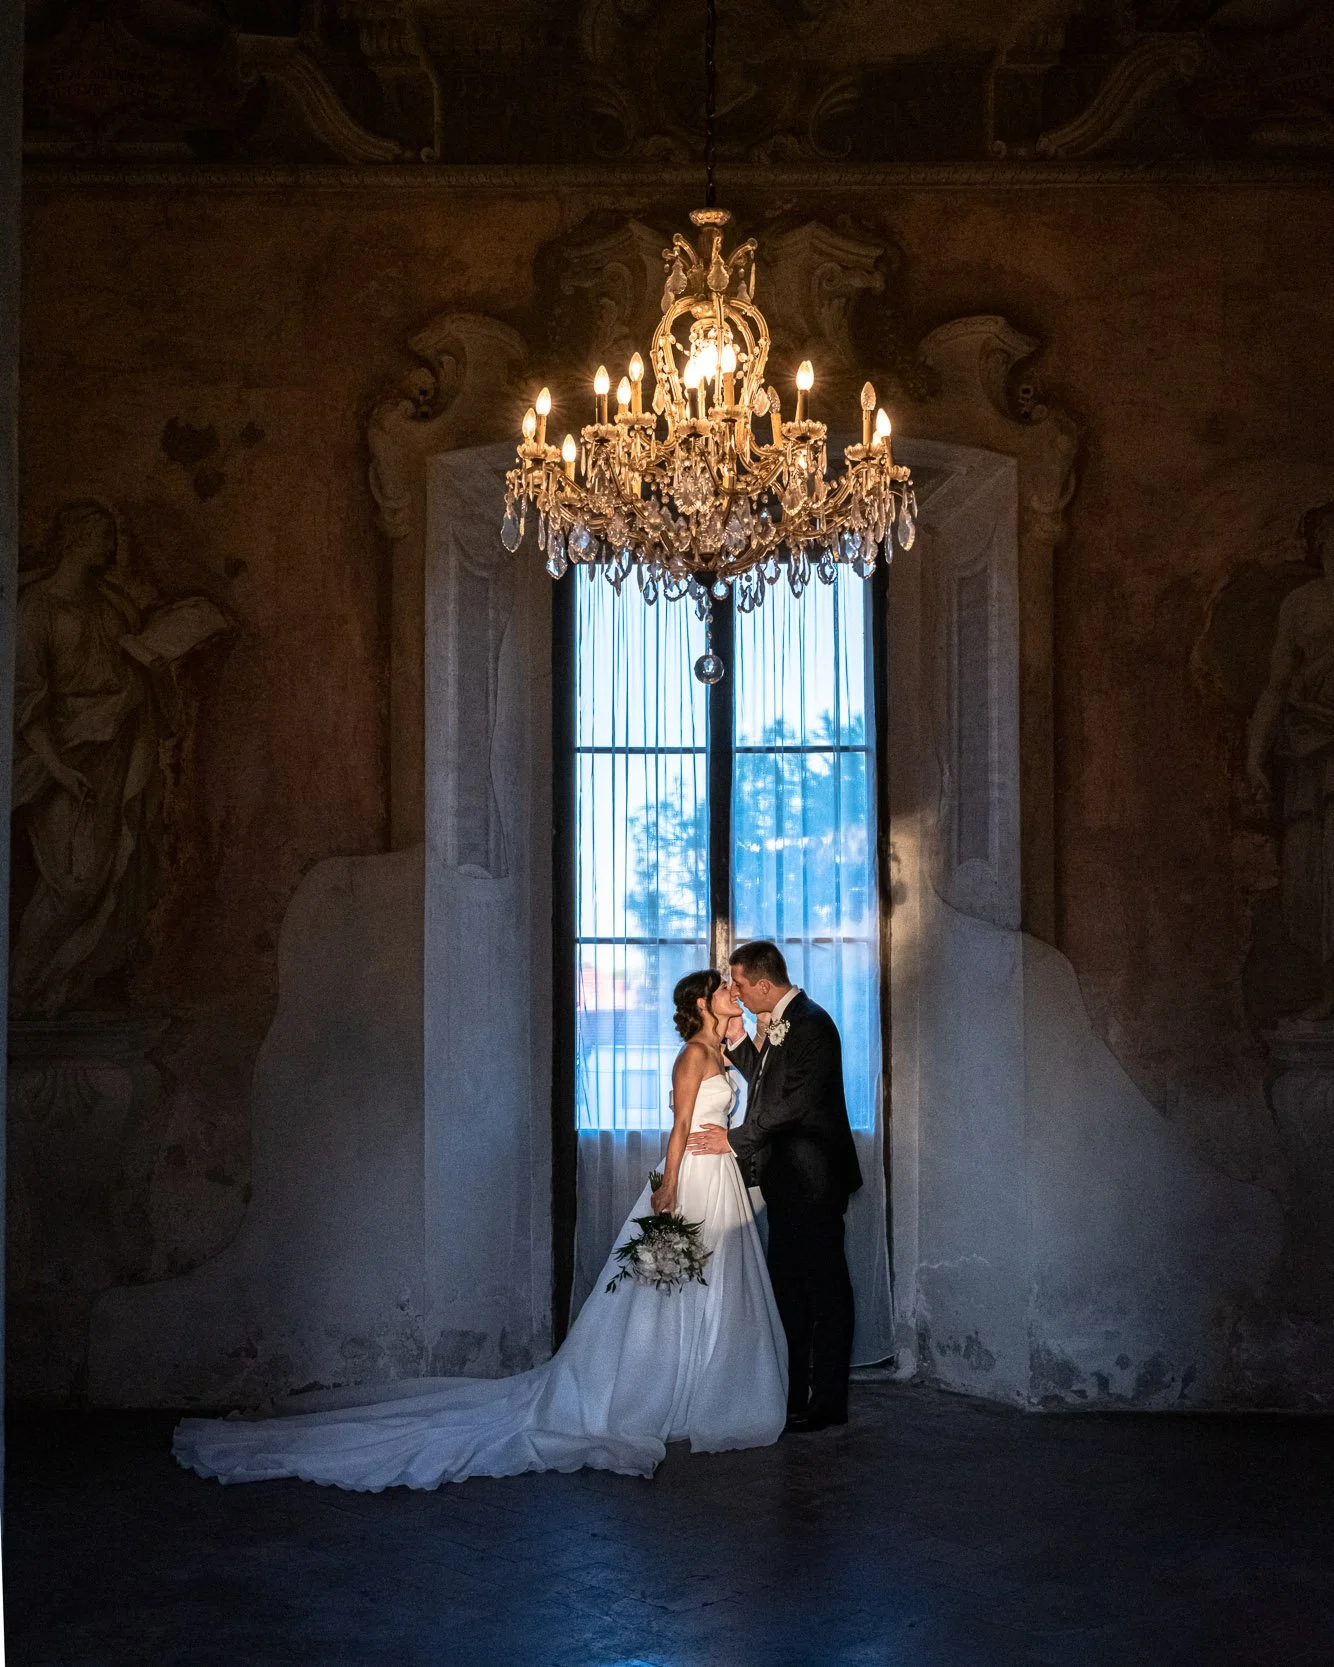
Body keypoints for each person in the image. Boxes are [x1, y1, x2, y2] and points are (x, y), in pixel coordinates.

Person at [174, 970, 786, 1490]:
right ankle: (644, 1393)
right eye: (723, 988)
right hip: (691, 1179)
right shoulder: (693, 1057)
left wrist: (744, 1046)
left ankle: (698, 1388)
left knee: (712, 1286)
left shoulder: (725, 1052)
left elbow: (734, 1105)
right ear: (702, 1003)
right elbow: (677, 1127)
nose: (734, 990)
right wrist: (669, 1186)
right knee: (665, 1291)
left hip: (721, 1177)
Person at [688, 939, 861, 1431]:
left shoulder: (812, 1025)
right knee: (789, 1291)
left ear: (764, 985)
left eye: (740, 985)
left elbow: (795, 1105)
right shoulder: (781, 1023)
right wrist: (743, 1042)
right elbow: (768, 1085)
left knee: (826, 1292)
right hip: (787, 1182)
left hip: (815, 1181)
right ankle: (789, 1396)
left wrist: (733, 1139)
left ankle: (828, 1405)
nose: (737, 994)